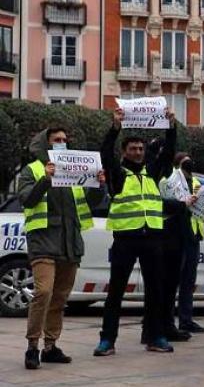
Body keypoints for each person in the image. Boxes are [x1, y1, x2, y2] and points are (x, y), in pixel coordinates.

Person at [18, 127, 107, 369]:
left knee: (59, 298)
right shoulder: (33, 170)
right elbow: (27, 199)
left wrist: (100, 185)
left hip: (70, 242)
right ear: (45, 144)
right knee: (43, 292)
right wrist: (46, 179)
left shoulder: (74, 169)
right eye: (56, 140)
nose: (62, 143)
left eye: (65, 140)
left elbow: (91, 202)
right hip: (44, 242)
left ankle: (50, 346)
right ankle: (32, 346)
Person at [96, 106, 177, 356]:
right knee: (116, 292)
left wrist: (172, 127)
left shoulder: (152, 172)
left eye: (141, 149)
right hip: (125, 239)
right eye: (133, 149)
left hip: (152, 238)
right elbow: (105, 153)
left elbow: (169, 153)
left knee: (156, 291)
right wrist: (115, 127)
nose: (138, 152)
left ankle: (155, 336)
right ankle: (107, 340)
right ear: (125, 151)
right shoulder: (118, 174)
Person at [157, 152, 200, 340]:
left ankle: (185, 319)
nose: (188, 167)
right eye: (185, 164)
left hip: (191, 235)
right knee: (170, 282)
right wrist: (183, 203)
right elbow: (165, 205)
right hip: (172, 235)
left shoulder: (195, 182)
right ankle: (165, 324)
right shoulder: (169, 181)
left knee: (188, 281)